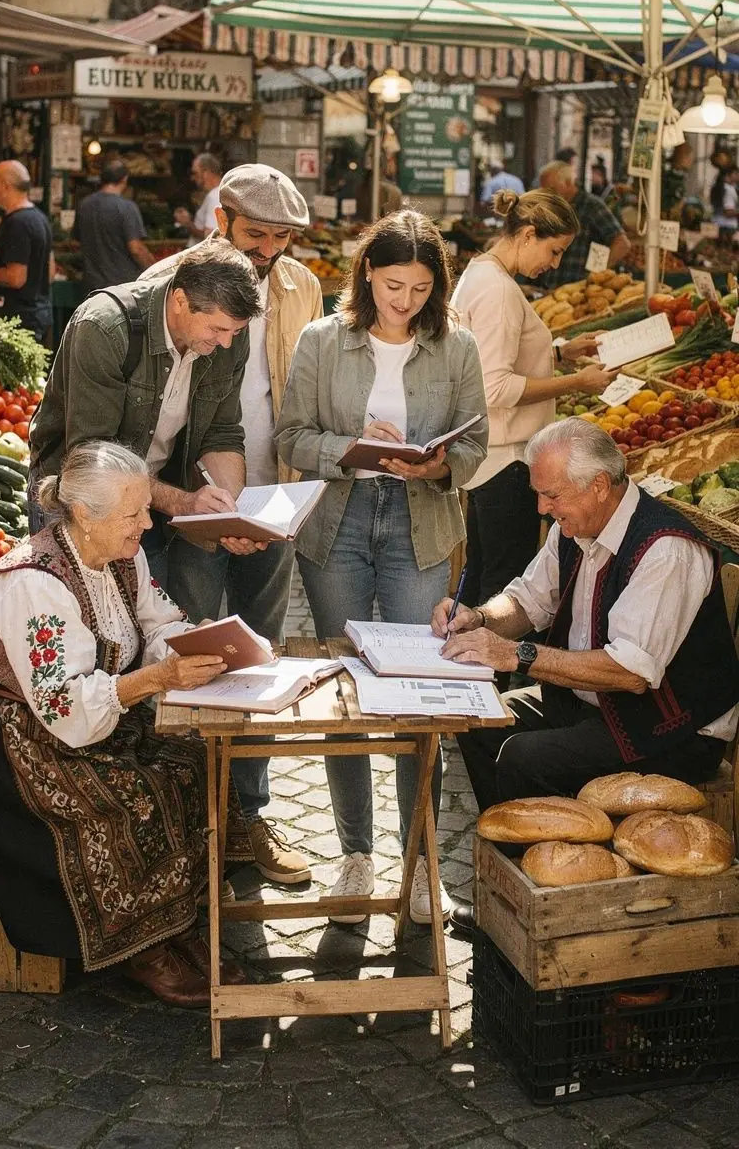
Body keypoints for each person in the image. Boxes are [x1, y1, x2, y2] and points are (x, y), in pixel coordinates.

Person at [0, 441, 250, 1006]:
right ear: (84, 514)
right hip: (13, 734)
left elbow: (156, 621)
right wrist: (158, 680)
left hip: (89, 711)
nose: (147, 522)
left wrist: (194, 643)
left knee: (189, 761)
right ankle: (140, 948)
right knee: (137, 792)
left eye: (144, 509)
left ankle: (176, 926)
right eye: (133, 513)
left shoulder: (121, 552)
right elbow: (65, 712)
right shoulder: (33, 583)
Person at [431, 419, 739, 939]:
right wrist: (479, 618)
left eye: (551, 495)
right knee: (478, 720)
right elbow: (527, 602)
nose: (541, 508)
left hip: (675, 727)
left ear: (599, 485)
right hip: (598, 704)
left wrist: (515, 655)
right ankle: (521, 894)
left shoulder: (664, 548)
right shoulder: (575, 527)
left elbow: (630, 672)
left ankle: (558, 918)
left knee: (527, 758)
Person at [275, 211, 488, 926]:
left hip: (418, 523)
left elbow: (475, 445)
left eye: (421, 288)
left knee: (414, 693)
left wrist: (438, 463)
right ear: (368, 273)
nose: (405, 301)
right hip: (337, 524)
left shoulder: (455, 346)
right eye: (394, 284)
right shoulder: (321, 341)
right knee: (344, 690)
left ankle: (421, 863)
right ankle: (356, 855)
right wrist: (351, 443)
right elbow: (291, 436)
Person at [140, 164, 323, 887]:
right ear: (222, 220)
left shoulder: (301, 288)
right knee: (192, 652)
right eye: (257, 235)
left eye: (282, 239)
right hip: (190, 503)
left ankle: (248, 815)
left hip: (268, 498)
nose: (269, 250)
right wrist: (202, 504)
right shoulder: (168, 285)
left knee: (260, 658)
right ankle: (190, 820)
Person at [28, 241, 264, 588]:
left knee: (145, 619)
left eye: (237, 331)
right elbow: (95, 456)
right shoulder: (105, 327)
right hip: (80, 500)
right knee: (78, 616)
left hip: (153, 498)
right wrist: (184, 502)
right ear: (180, 301)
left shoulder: (226, 337)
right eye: (217, 330)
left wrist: (234, 517)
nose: (228, 343)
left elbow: (222, 430)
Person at [452, 190, 615, 607]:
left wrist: (560, 352)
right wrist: (576, 382)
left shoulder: (482, 274)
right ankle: (493, 671)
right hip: (505, 462)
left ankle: (465, 663)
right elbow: (496, 387)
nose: (555, 264)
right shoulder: (499, 291)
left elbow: (492, 360)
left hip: (489, 460)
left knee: (483, 577)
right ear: (527, 234)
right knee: (504, 590)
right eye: (554, 250)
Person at [0, 161, 53, 342]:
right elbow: (50, 272)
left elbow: (15, 278)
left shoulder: (18, 223)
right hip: (36, 315)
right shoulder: (40, 218)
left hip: (15, 323)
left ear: (5, 187)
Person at [537, 160, 631, 289]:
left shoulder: (592, 206)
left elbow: (622, 244)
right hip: (548, 291)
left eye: (551, 189)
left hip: (578, 293)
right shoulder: (551, 209)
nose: (547, 195)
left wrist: (597, 275)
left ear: (569, 183)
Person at [75, 159, 155, 292]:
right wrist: (154, 270)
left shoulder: (84, 205)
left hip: (91, 285)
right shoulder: (127, 207)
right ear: (124, 179)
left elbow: (77, 240)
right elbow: (136, 249)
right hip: (122, 287)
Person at [174, 153, 223, 242]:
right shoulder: (218, 193)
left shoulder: (214, 197)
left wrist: (187, 223)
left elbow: (211, 237)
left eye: (195, 173)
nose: (193, 178)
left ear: (206, 173)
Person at [710, 162, 739, 235]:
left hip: (716, 224)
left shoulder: (716, 187)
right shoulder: (728, 189)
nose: (738, 176)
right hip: (727, 228)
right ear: (728, 175)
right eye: (736, 173)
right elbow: (728, 212)